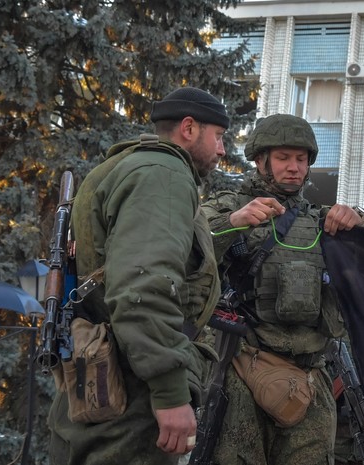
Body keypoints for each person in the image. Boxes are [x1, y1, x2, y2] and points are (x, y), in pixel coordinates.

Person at [49, 87, 228, 464]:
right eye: (219, 136)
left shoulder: (122, 166)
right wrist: (170, 393)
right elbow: (142, 286)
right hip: (131, 394)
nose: (222, 149)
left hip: (100, 380)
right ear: (189, 128)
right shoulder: (163, 175)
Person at [201, 114, 364, 464]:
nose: (294, 167)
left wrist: (362, 220)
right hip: (243, 372)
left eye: (301, 159)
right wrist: (232, 224)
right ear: (261, 161)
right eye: (283, 158)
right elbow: (184, 249)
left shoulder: (325, 221)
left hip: (310, 376)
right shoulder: (231, 206)